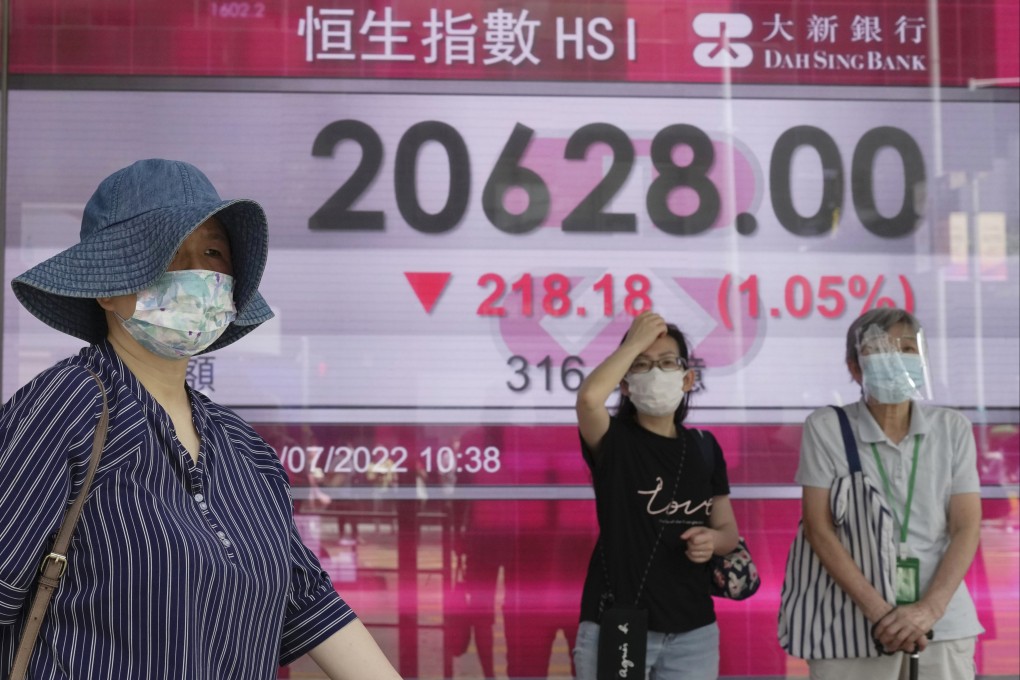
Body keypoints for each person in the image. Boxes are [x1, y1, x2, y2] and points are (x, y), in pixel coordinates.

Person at [0, 159, 403, 679]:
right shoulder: (64, 407)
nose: (196, 274)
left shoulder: (244, 449)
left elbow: (308, 605)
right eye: (169, 253)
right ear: (105, 285)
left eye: (212, 253)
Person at [782, 308, 983, 679]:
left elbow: (966, 527)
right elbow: (818, 528)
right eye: (880, 349)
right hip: (849, 623)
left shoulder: (952, 428)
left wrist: (928, 610)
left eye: (907, 349)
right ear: (855, 368)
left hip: (942, 621)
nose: (896, 359)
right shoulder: (826, 427)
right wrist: (884, 615)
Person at [572, 311, 740, 680]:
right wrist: (633, 341)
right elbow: (588, 400)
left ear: (688, 379)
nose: (655, 373)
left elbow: (728, 532)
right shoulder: (613, 441)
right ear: (626, 384)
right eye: (641, 365)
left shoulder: (704, 448)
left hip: (693, 631)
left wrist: (712, 540)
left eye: (667, 363)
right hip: (618, 624)